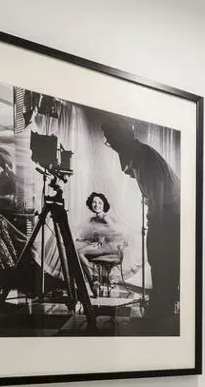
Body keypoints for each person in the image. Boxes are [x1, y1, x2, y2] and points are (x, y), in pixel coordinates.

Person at [101, 118, 181, 321]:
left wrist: (154, 226)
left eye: (113, 140)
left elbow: (159, 203)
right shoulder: (138, 157)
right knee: (159, 261)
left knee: (163, 261)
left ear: (122, 138)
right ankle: (162, 309)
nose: (113, 146)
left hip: (172, 215)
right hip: (167, 213)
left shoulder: (146, 159)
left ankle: (162, 312)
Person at [76, 192, 126, 294]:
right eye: (94, 202)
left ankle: (93, 279)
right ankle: (93, 283)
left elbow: (116, 232)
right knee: (76, 251)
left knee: (80, 253)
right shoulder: (93, 219)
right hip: (102, 247)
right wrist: (83, 240)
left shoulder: (105, 218)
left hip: (111, 247)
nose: (96, 205)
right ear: (91, 204)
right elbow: (92, 236)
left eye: (100, 203)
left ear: (104, 205)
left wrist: (102, 237)